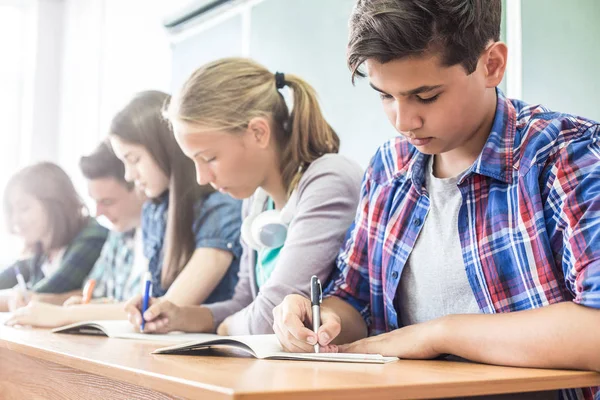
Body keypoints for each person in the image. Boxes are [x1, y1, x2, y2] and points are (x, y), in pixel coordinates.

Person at [272, 1, 600, 399]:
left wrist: (440, 334)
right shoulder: (388, 167)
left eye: (425, 96)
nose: (403, 120)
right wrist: (319, 317)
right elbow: (355, 301)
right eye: (385, 96)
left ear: (491, 65)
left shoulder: (568, 154)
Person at [124, 58, 363, 335]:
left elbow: (267, 317)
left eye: (210, 158)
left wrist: (226, 328)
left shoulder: (329, 180)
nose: (202, 178)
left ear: (259, 132)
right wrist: (177, 316)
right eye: (194, 162)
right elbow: (244, 302)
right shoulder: (256, 200)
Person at [109, 90, 243, 320]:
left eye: (134, 160)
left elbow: (163, 309)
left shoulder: (220, 210)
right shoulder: (154, 211)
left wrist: (63, 315)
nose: (129, 176)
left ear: (165, 148)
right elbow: (148, 301)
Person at [6, 141, 147, 327]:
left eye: (108, 201)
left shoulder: (93, 237)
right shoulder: (118, 236)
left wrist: (70, 312)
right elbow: (91, 292)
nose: (98, 212)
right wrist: (79, 305)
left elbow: (150, 308)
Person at [0, 162, 108, 312]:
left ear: (54, 203)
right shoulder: (41, 253)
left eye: (24, 208)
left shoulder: (92, 238)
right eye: (12, 211)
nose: (15, 220)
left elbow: (41, 296)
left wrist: (15, 297)